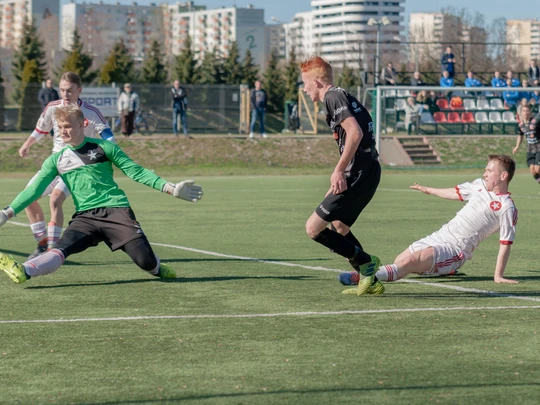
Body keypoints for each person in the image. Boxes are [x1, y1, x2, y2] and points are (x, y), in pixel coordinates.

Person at [0, 105, 203, 284]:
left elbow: (136, 171)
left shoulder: (104, 147)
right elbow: (33, 190)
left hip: (116, 211)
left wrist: (171, 188)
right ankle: (23, 270)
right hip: (85, 218)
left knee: (145, 262)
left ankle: (157, 268)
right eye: (59, 128)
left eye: (68, 126)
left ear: (83, 123)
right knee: (59, 251)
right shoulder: (56, 160)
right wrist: (7, 212)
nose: (63, 132)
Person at [338, 155, 519, 292]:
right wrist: (428, 190)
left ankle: (364, 277)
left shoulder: (506, 207)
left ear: (503, 175)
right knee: (399, 261)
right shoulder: (478, 185)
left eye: (489, 171)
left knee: (410, 262)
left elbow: (505, 244)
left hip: (456, 249)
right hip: (440, 236)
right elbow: (454, 193)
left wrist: (498, 276)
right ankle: (440, 269)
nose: (484, 174)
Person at [299, 55, 382, 296]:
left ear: (315, 82)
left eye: (304, 83)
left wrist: (338, 170)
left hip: (359, 171)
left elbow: (354, 133)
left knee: (313, 228)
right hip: (364, 169)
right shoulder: (339, 95)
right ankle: (370, 281)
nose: (304, 89)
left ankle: (366, 263)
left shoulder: (332, 96)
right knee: (339, 226)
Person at [18, 72, 115, 259]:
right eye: (62, 90)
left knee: (55, 200)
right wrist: (27, 144)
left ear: (79, 90)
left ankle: (53, 250)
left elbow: (108, 136)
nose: (65, 94)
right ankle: (42, 245)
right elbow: (41, 129)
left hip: (78, 166)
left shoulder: (90, 112)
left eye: (69, 90)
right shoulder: (52, 107)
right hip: (55, 162)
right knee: (28, 197)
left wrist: (110, 151)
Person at [513, 105, 540, 186]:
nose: (526, 113)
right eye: (524, 111)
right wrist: (517, 146)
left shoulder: (536, 122)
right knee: (532, 170)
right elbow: (520, 136)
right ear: (521, 113)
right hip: (530, 149)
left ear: (531, 112)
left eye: (527, 111)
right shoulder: (521, 125)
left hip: (539, 148)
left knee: (538, 169)